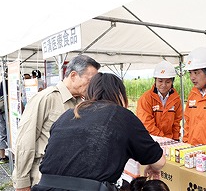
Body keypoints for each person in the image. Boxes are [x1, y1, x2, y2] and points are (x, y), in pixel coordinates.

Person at [32, 73, 165, 191]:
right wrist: (153, 167)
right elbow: (159, 161)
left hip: (43, 186)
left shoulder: (67, 115)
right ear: (119, 94)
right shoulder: (121, 115)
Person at [12, 55, 101, 191]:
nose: (93, 85)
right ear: (73, 75)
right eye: (90, 80)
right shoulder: (47, 98)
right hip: (45, 176)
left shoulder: (81, 103)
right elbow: (25, 141)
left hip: (71, 177)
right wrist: (22, 181)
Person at [136, 60, 183, 140]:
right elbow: (146, 123)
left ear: (172, 82)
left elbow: (176, 122)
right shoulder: (146, 98)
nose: (163, 85)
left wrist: (175, 140)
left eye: (167, 82)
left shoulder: (176, 99)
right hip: (150, 140)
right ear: (155, 80)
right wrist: (163, 139)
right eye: (160, 81)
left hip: (169, 141)